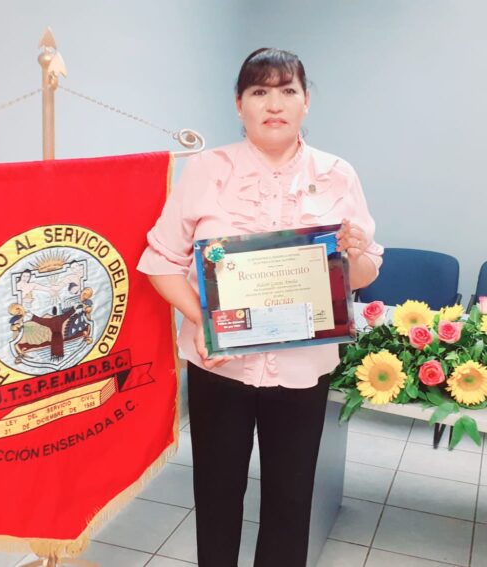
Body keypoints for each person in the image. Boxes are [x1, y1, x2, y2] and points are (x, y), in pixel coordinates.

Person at [137, 48, 383, 567]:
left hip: (302, 367)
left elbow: (361, 276)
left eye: (288, 90)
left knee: (291, 497)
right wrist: (202, 320)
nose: (274, 104)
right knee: (217, 492)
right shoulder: (208, 169)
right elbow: (159, 261)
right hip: (220, 364)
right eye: (259, 91)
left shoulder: (338, 174)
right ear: (239, 103)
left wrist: (357, 254)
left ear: (306, 101)